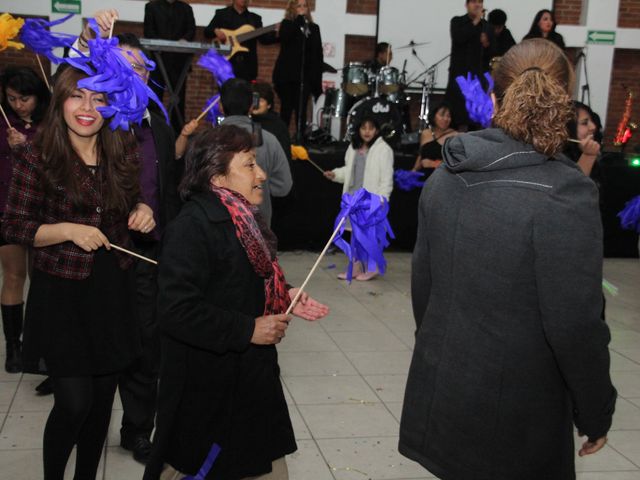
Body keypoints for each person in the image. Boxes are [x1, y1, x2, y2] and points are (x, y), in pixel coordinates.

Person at [399, 39, 616, 479]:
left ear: (494, 99)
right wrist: (595, 410)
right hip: (519, 415)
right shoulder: (564, 193)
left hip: (447, 392)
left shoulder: (446, 175)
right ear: (566, 105)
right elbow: (575, 325)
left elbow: (424, 290)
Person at [143, 125, 329, 480]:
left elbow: (241, 277)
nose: (261, 174)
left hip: (251, 383)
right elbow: (175, 310)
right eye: (249, 165)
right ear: (217, 176)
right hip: (210, 389)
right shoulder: (192, 227)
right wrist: (247, 329)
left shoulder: (243, 218)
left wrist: (284, 292)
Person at [2, 65, 155, 480]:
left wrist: (143, 211)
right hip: (62, 295)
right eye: (77, 96)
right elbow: (14, 225)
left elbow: (134, 202)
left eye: (99, 98)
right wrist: (68, 230)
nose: (87, 107)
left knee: (103, 402)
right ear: (61, 101)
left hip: (112, 290)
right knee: (73, 403)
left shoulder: (121, 150)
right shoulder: (39, 155)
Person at [0, 67, 50, 374]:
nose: (19, 105)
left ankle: (39, 345)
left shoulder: (52, 124)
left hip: (43, 211)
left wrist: (25, 148)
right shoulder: (3, 122)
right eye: (11, 98)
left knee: (41, 280)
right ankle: (13, 348)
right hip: (6, 208)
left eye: (25, 98)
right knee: (14, 275)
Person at [323, 117, 394, 281]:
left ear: (376, 130)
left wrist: (381, 200)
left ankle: (372, 267)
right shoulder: (353, 147)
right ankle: (355, 267)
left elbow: (386, 179)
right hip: (353, 199)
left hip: (370, 200)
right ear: (358, 130)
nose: (367, 131)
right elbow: (349, 171)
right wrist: (335, 174)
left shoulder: (384, 149)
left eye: (371, 128)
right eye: (364, 128)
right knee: (355, 235)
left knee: (369, 235)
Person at [220, 78, 292, 227]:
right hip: (258, 227)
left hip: (216, 226)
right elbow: (283, 187)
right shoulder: (269, 140)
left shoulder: (206, 141)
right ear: (252, 105)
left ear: (221, 106)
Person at [143, 0, 196, 133]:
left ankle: (177, 135)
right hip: (158, 61)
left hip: (178, 63)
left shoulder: (186, 9)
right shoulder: (151, 7)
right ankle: (152, 131)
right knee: (154, 99)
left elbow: (191, 30)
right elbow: (148, 31)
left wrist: (184, 40)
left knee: (178, 101)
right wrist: (160, 44)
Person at [273, 0, 324, 136]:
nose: (302, 9)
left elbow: (317, 54)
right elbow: (286, 39)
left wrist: (317, 83)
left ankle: (301, 140)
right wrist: (298, 20)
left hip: (304, 77)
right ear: (292, 9)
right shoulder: (287, 24)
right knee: (286, 110)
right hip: (287, 76)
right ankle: (283, 139)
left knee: (301, 111)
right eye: (298, 6)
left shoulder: (314, 28)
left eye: (304, 6)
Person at [444, 0, 494, 130]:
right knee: (458, 116)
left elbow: (492, 52)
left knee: (476, 119)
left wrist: (487, 45)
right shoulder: (457, 22)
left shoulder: (487, 26)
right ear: (466, 5)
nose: (477, 5)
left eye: (480, 2)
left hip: (478, 79)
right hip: (460, 77)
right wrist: (476, 20)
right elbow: (459, 38)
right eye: (474, 2)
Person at [204, 0, 276, 82]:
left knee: (245, 92)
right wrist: (215, 30)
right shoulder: (222, 14)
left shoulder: (255, 18)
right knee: (226, 92)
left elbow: (264, 39)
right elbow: (207, 32)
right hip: (226, 63)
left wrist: (279, 35)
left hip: (247, 65)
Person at [412, 103, 457, 174]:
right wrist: (413, 171)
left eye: (448, 116)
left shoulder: (455, 135)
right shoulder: (425, 133)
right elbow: (421, 155)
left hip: (441, 175)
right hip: (424, 173)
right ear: (433, 116)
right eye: (442, 115)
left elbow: (455, 162)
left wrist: (433, 163)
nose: (445, 119)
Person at [251, 82, 292, 162]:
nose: (256, 104)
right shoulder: (245, 120)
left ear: (269, 105)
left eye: (261, 100)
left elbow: (284, 157)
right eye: (253, 100)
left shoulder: (278, 125)